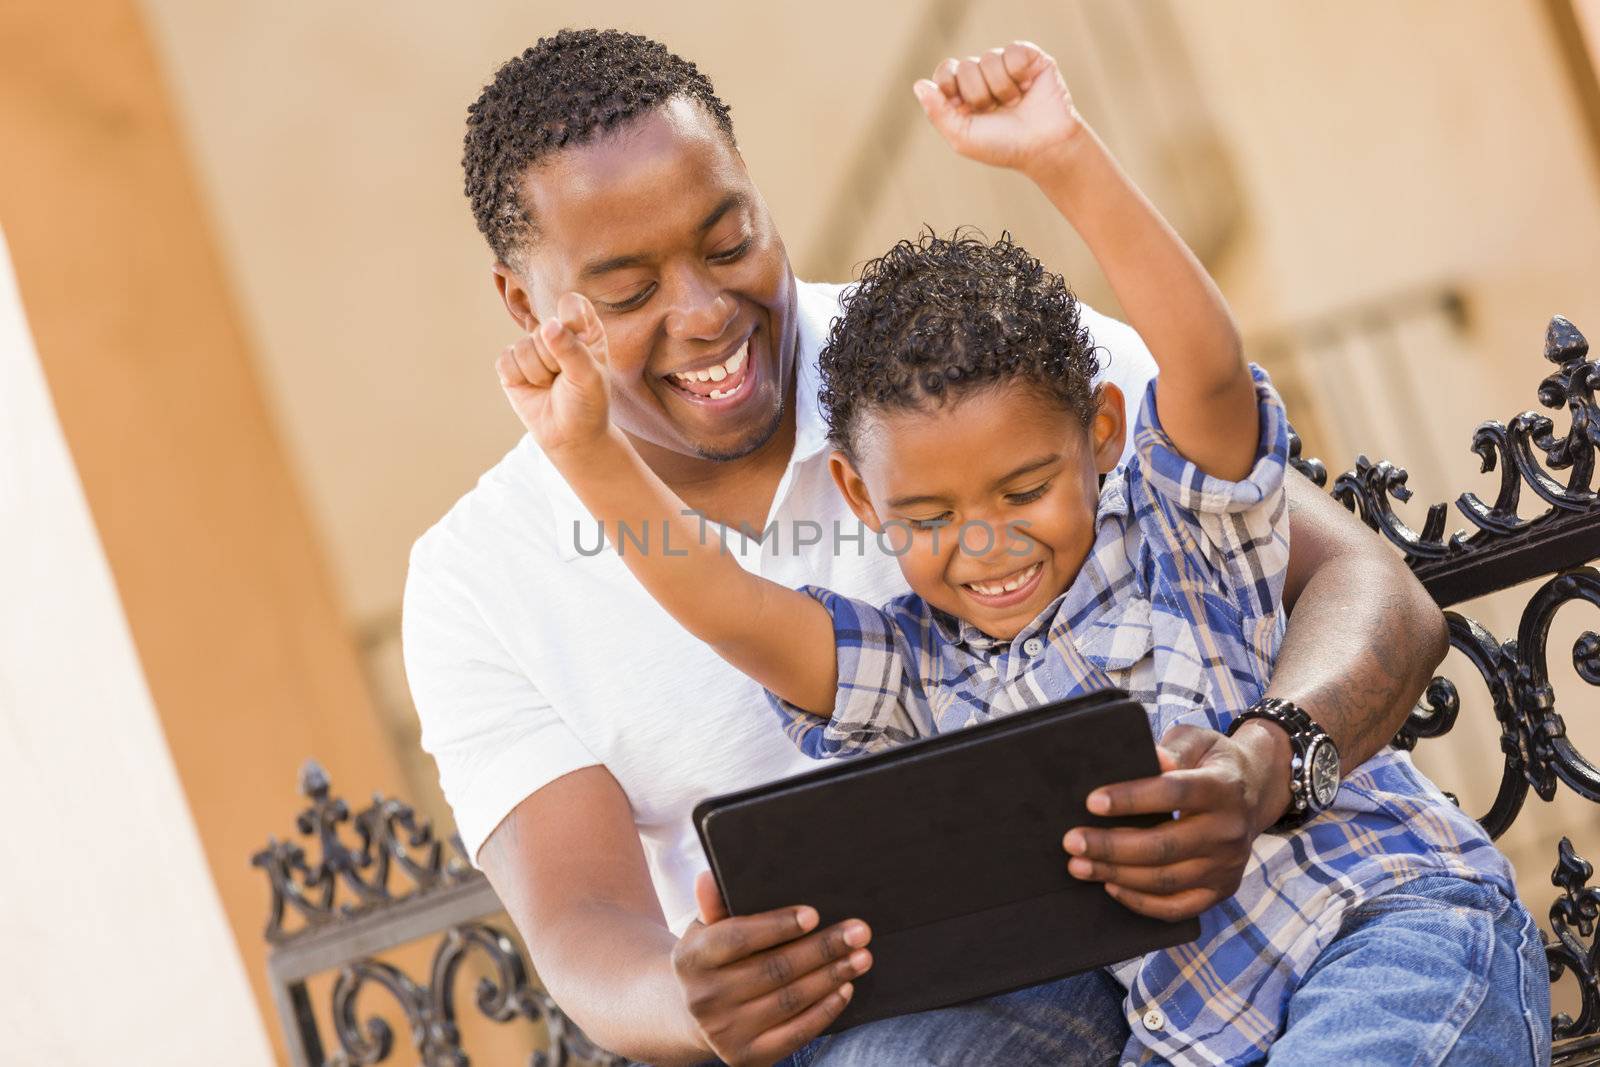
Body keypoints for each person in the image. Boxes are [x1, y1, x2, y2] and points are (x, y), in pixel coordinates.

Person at [403, 27, 1544, 1066]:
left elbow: (1348, 563)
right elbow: (595, 896)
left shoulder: (977, 361)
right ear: (525, 301)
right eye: (628, 288)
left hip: (1344, 916)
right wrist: (690, 994)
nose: (703, 313)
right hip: (1089, 1010)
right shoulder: (904, 656)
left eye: (729, 239)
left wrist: (1262, 767)